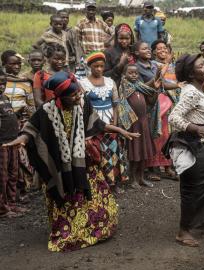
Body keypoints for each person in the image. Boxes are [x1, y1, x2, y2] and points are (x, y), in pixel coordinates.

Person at [4, 71, 139, 252]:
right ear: (61, 97)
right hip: (60, 167)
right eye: (73, 95)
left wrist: (122, 131)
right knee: (65, 197)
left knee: (94, 196)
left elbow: (99, 125)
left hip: (82, 164)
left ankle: (94, 229)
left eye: (78, 93)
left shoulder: (83, 105)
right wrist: (21, 140)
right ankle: (68, 230)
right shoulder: (46, 111)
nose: (78, 96)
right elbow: (31, 130)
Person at [166, 53, 204, 247]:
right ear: (191, 73)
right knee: (190, 186)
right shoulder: (191, 92)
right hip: (187, 142)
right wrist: (196, 128)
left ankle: (201, 219)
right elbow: (173, 118)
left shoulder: (195, 89)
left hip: (197, 141)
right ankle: (183, 231)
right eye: (201, 66)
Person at [79, 52, 127, 193]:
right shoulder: (83, 83)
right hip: (93, 122)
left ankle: (114, 183)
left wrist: (115, 120)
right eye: (96, 66)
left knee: (113, 151)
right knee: (97, 152)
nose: (99, 69)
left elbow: (116, 103)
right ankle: (101, 183)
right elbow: (83, 106)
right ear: (89, 67)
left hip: (110, 119)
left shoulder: (110, 82)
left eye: (101, 66)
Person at [119, 63, 158, 188]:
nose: (134, 75)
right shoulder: (124, 87)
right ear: (124, 74)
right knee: (134, 152)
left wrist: (156, 90)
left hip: (143, 123)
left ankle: (141, 178)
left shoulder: (140, 87)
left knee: (143, 152)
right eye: (130, 73)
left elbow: (151, 101)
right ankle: (133, 179)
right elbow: (121, 106)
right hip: (132, 124)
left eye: (136, 73)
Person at [146, 39, 179, 181]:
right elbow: (158, 81)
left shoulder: (172, 65)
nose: (162, 50)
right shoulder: (153, 65)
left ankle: (168, 166)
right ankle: (154, 167)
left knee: (170, 135)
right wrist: (167, 63)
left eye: (164, 48)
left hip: (173, 103)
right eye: (159, 49)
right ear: (153, 52)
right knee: (159, 134)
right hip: (160, 103)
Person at [0, 70, 26, 218]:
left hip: (12, 141)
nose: (1, 86)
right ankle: (3, 209)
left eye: (3, 83)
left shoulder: (4, 97)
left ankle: (11, 203)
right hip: (2, 144)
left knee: (12, 174)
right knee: (2, 177)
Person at [33, 42, 67, 108]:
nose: (60, 62)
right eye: (56, 59)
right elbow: (37, 99)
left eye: (62, 59)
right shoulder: (40, 75)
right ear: (48, 59)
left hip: (66, 112)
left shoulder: (68, 75)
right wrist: (49, 111)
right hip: (48, 111)